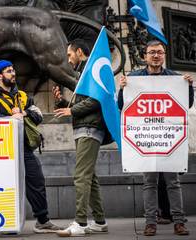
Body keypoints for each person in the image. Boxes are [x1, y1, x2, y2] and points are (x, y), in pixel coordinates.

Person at [118, 40, 194, 236]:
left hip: (169, 141)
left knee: (173, 182)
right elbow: (123, 106)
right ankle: (150, 222)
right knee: (149, 183)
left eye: (159, 52)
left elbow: (187, 105)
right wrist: (122, 88)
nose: (156, 56)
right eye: (152, 52)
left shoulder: (175, 78)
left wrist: (189, 87)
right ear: (145, 56)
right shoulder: (134, 77)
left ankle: (179, 221)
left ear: (164, 55)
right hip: (148, 141)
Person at [0, 60, 61, 233]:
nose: (13, 73)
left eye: (13, 69)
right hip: (1, 152)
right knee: (4, 185)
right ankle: (5, 223)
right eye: (9, 71)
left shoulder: (23, 96)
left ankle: (43, 221)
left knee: (36, 180)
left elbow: (38, 116)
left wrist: (23, 113)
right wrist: (10, 117)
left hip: (24, 149)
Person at [52, 39, 109, 237]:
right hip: (85, 127)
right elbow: (83, 104)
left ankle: (81, 223)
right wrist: (62, 102)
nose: (68, 60)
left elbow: (96, 100)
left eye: (69, 55)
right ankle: (100, 222)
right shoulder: (84, 74)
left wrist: (71, 109)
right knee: (90, 177)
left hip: (89, 129)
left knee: (81, 176)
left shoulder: (90, 70)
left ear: (79, 52)